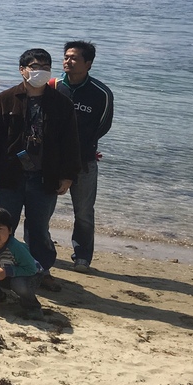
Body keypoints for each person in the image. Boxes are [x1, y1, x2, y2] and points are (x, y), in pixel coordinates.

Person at [0, 48, 81, 292]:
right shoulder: (5, 99)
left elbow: (71, 143)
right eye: (35, 67)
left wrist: (68, 176)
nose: (40, 72)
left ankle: (41, 270)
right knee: (2, 225)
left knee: (39, 228)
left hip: (44, 177)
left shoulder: (61, 103)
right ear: (22, 70)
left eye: (45, 67)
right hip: (8, 176)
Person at [54, 41, 114, 273]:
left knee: (84, 212)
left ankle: (82, 257)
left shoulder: (101, 93)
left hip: (84, 161)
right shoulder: (54, 86)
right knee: (42, 207)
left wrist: (82, 145)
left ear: (88, 64)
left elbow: (103, 126)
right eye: (66, 57)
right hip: (53, 159)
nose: (68, 61)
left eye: (74, 58)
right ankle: (41, 251)